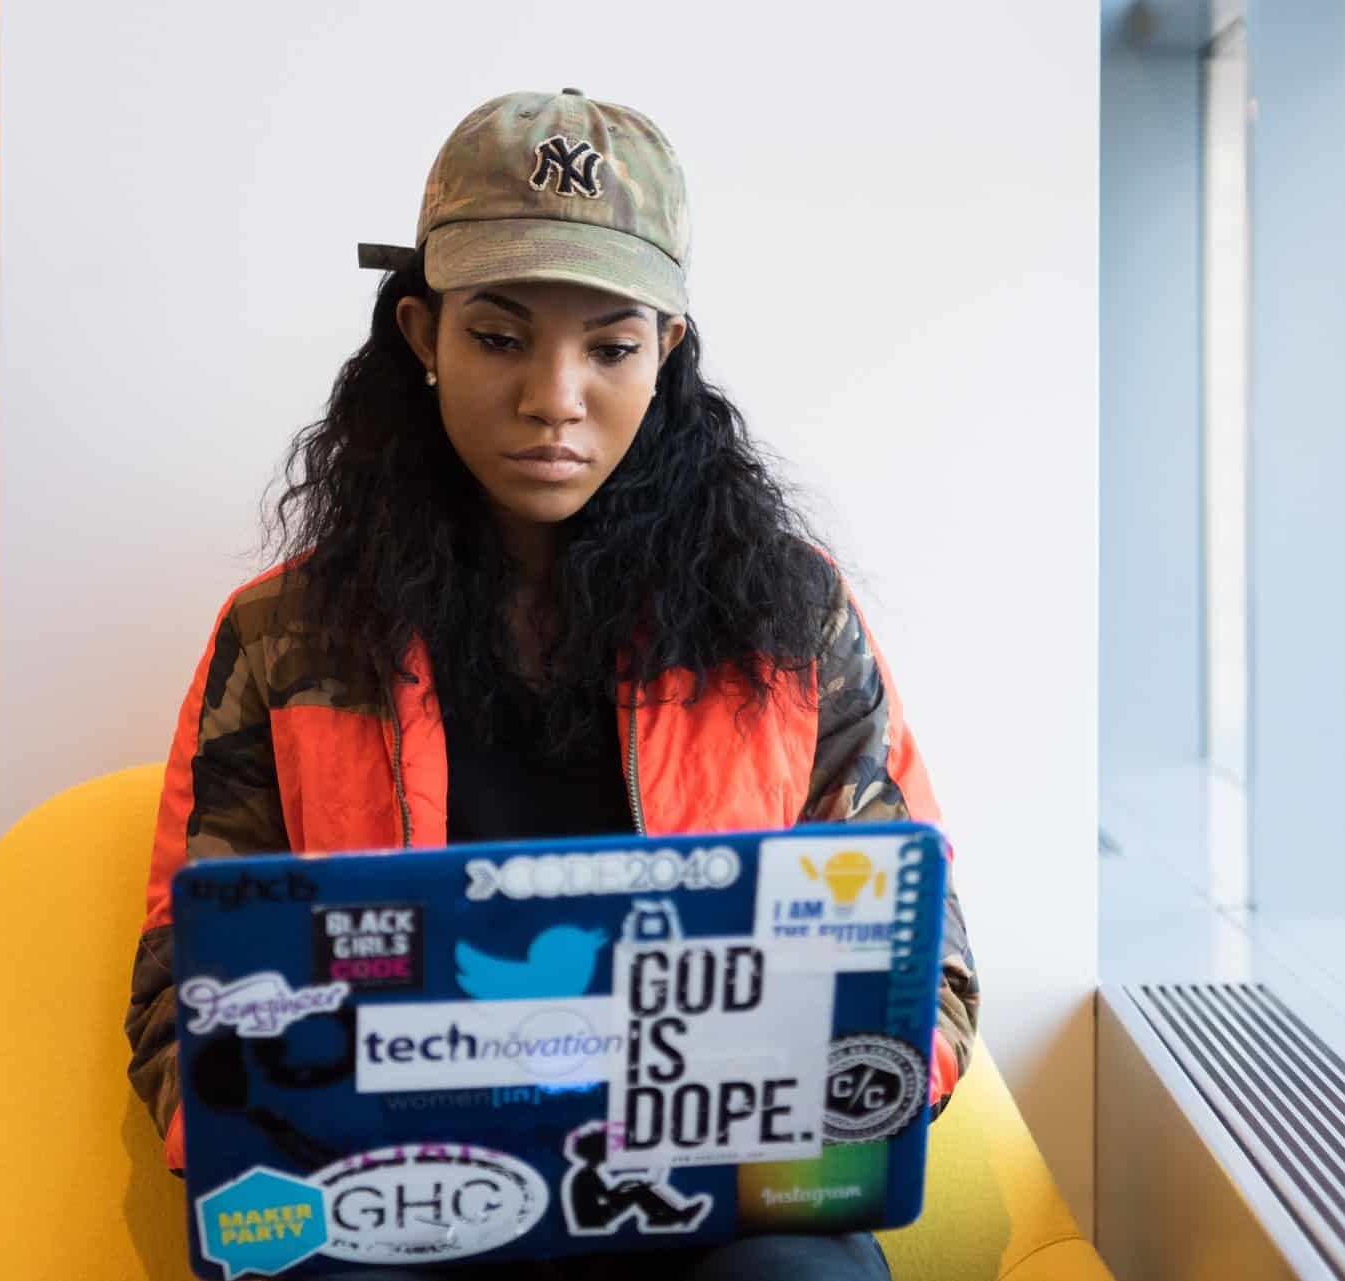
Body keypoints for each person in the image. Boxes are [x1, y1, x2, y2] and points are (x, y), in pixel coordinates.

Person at [120, 88, 980, 1280]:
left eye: (612, 347)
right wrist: (264, 1137)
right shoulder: (284, 635)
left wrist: (830, 1117)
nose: (553, 400)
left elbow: (918, 955)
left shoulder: (785, 618)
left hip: (708, 1216)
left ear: (666, 351)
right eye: (499, 336)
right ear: (422, 336)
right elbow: (185, 971)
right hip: (392, 1204)